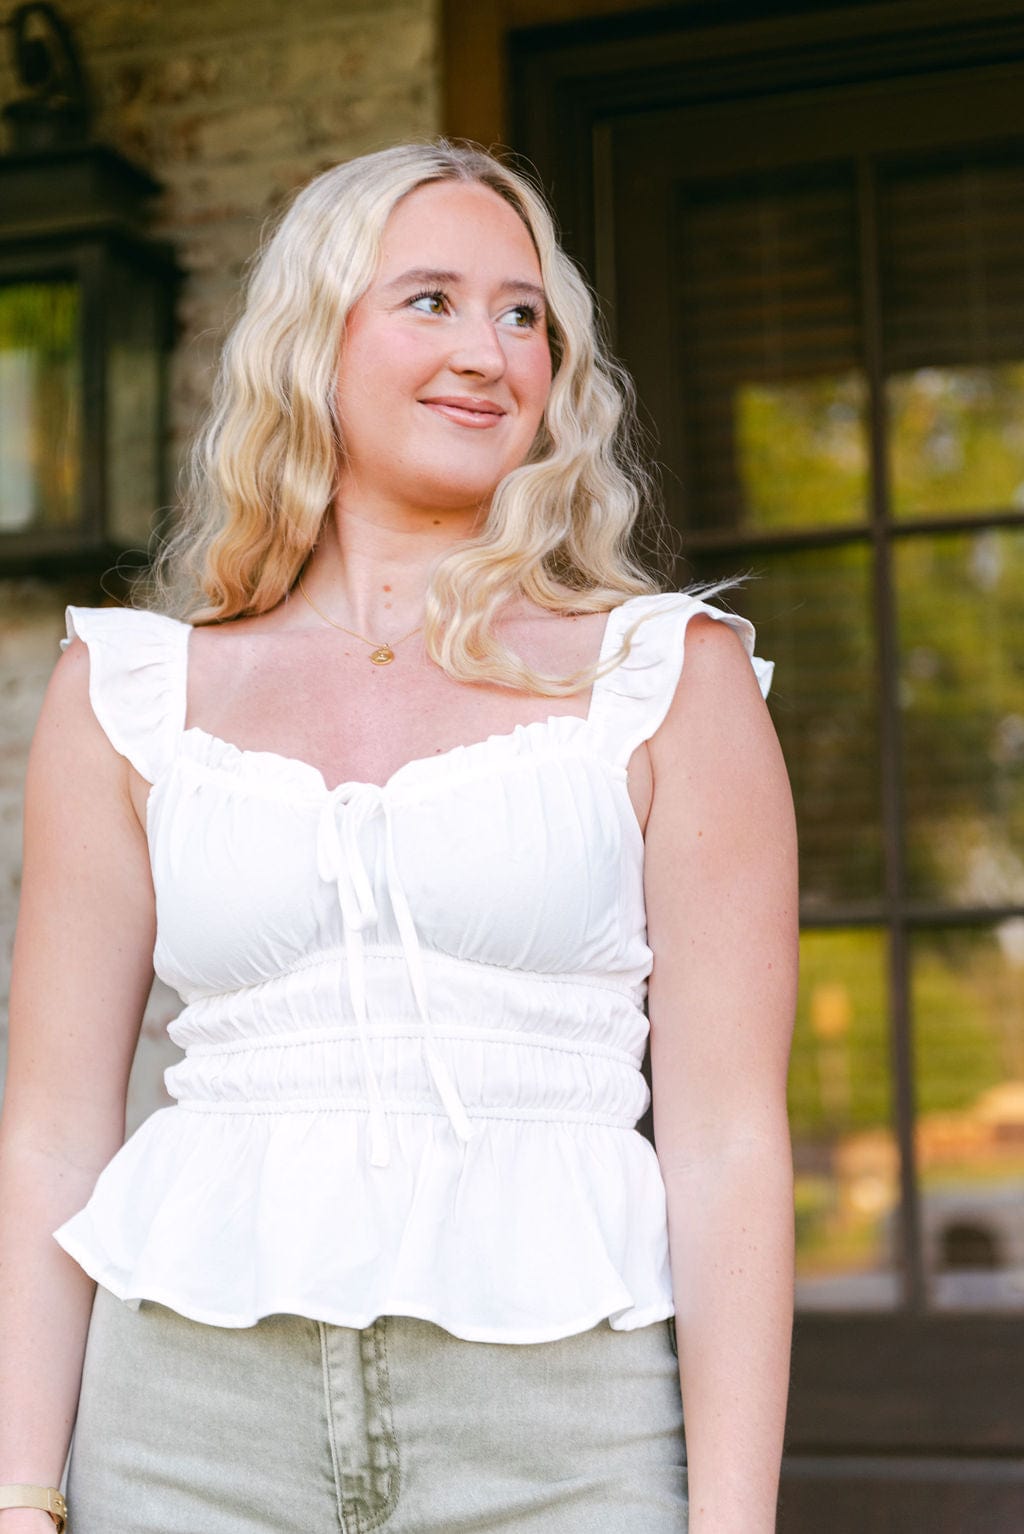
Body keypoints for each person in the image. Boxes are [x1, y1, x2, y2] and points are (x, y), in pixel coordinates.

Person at [0, 139, 797, 1534]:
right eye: (428, 298)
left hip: (560, 1430)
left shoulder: (673, 678)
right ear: (314, 338)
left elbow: (729, 1142)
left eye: (523, 313)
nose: (487, 349)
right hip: (184, 1421)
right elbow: (52, 1131)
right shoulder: (127, 694)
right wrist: (18, 1488)